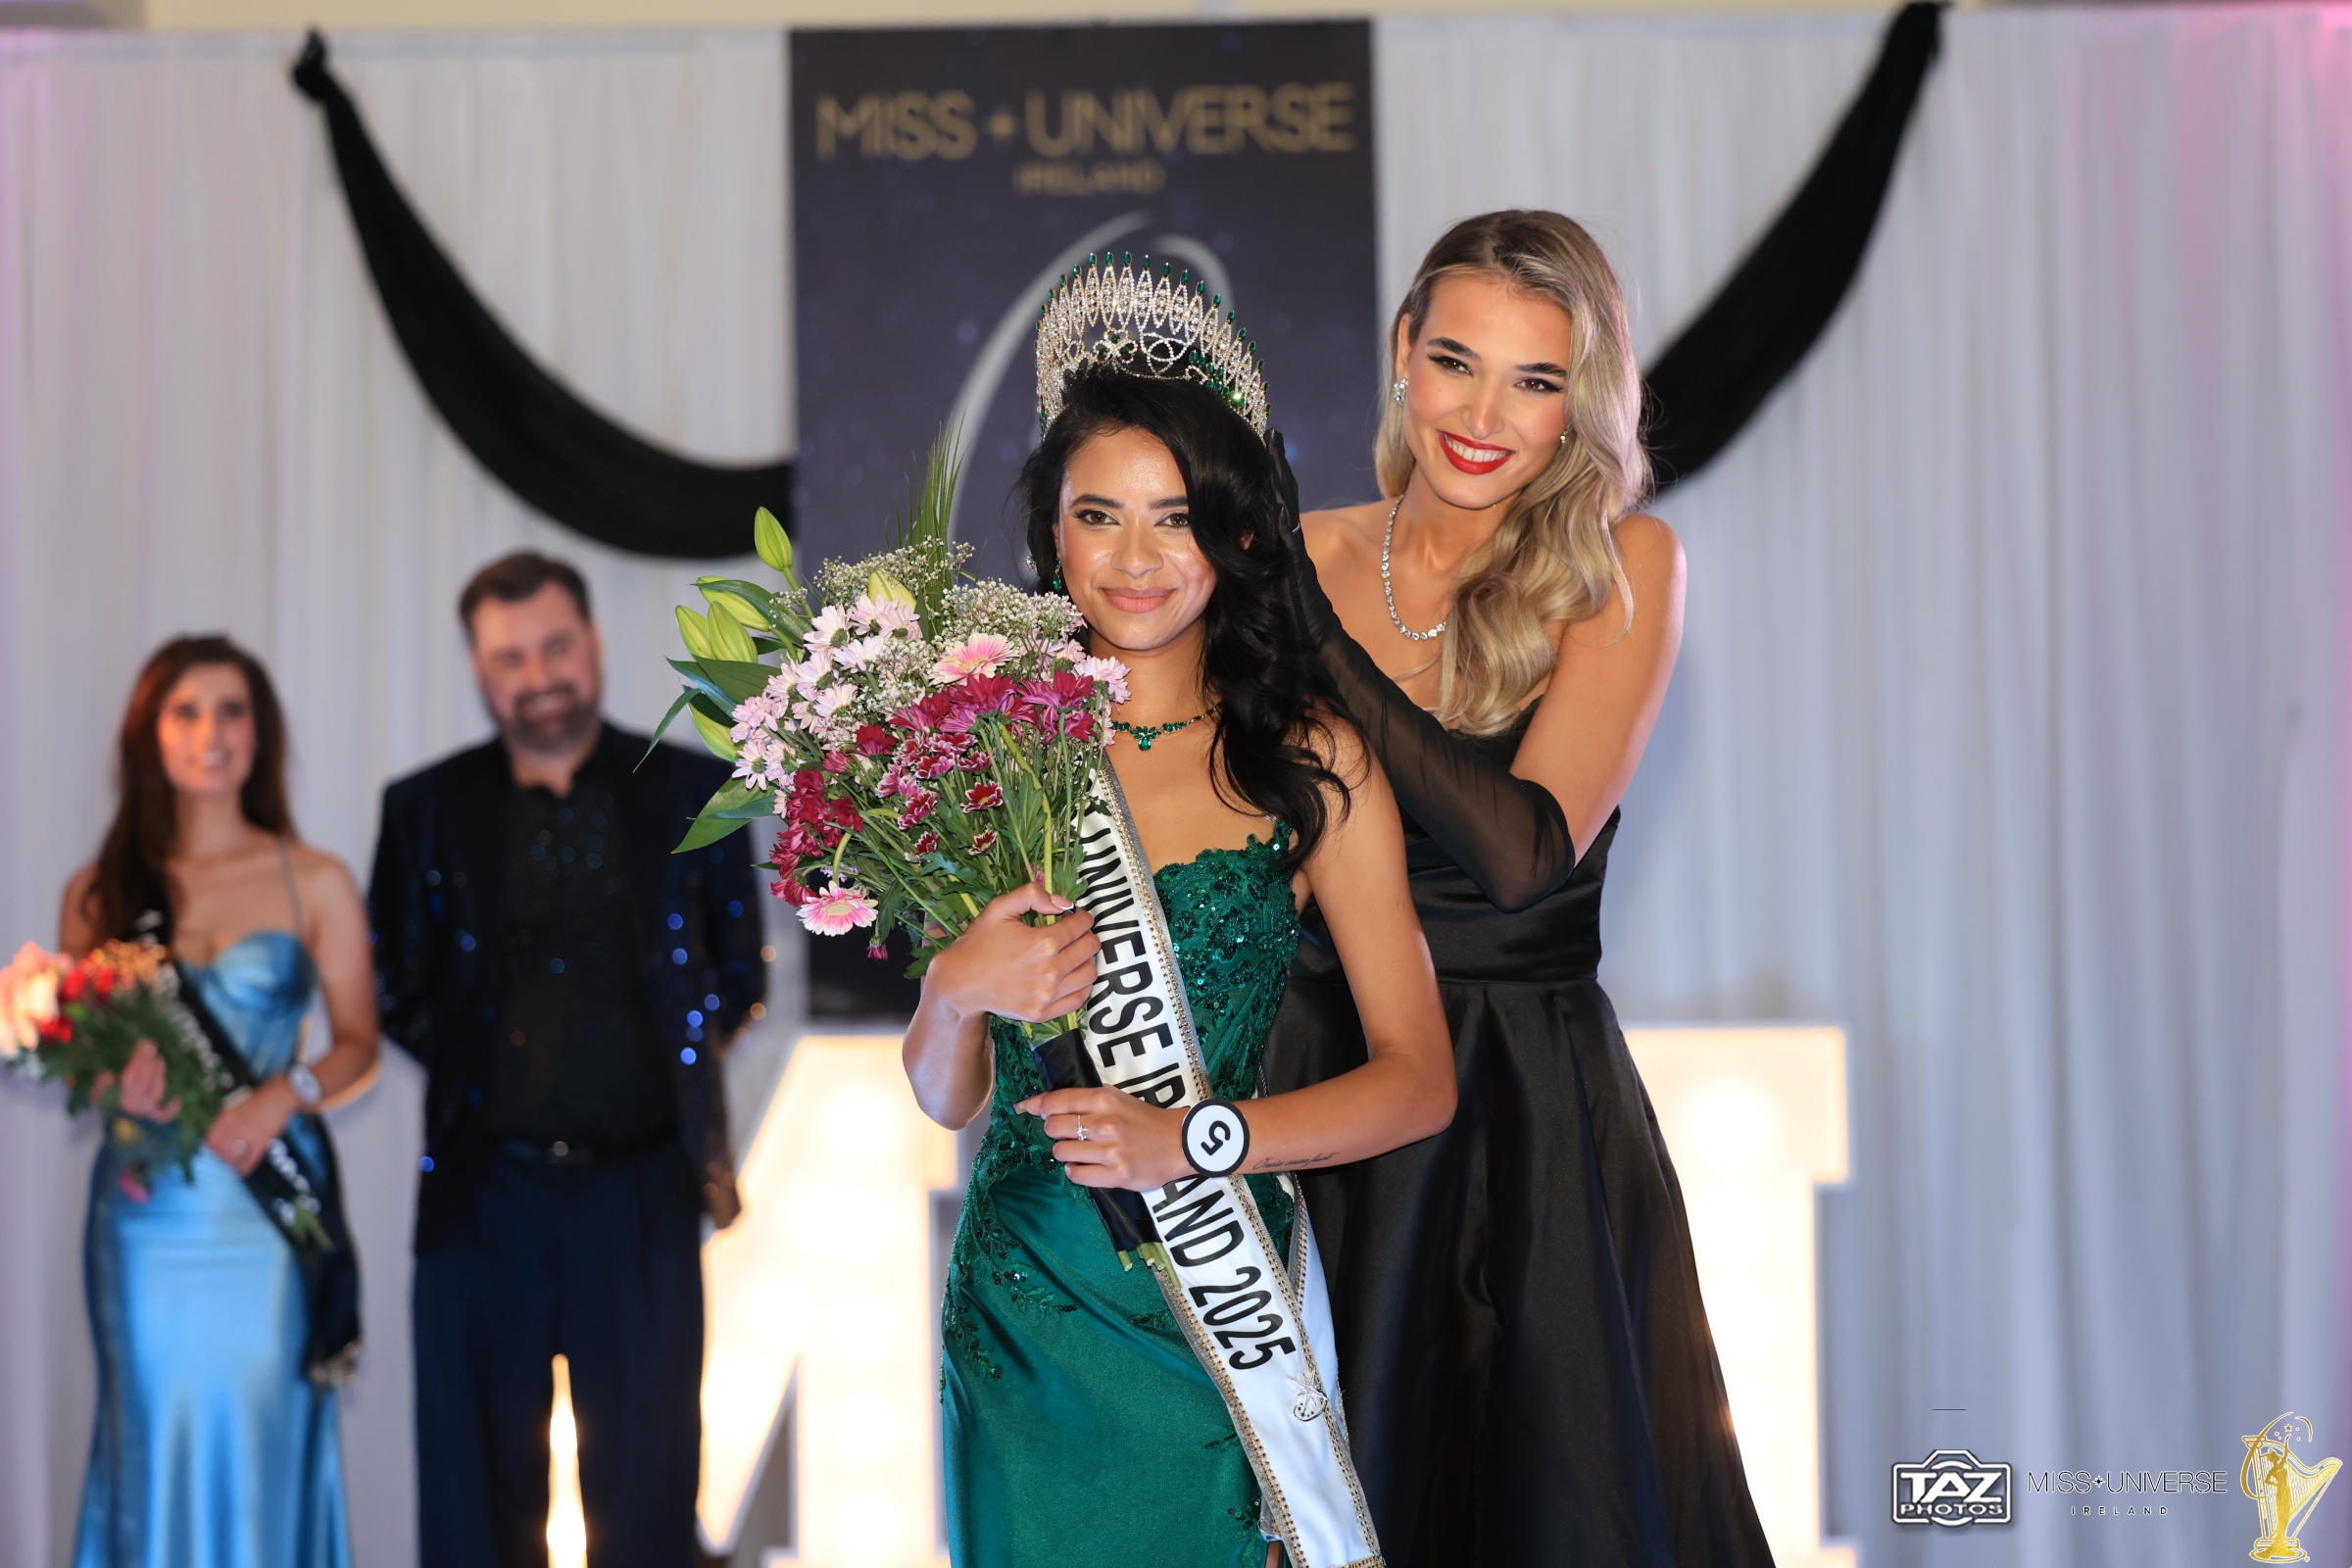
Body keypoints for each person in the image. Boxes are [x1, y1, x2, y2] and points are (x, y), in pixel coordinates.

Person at [1265, 209, 1775, 1565]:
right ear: (1402, 351)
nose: (1483, 417)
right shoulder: (1295, 556)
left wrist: (1316, 640)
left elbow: (1522, 854)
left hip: (1524, 1113)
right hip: (1320, 1084)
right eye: (1456, 362)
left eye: (1535, 381)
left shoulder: (1622, 567)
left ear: (1580, 405)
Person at [907, 334, 1455, 1567]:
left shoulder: (1312, 763)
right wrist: (954, 988)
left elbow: (1420, 1081)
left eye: (1177, 518)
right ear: (1053, 535)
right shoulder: (991, 755)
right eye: (1099, 516)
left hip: (1215, 1296)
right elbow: (949, 1097)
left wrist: (1197, 1138)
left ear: (1238, 533)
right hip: (1025, 1310)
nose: (1137, 559)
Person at [368, 553, 766, 1568]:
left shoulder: (692, 790)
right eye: (510, 657)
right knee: (474, 1510)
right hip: (480, 1196)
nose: (538, 675)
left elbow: (737, 974)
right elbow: (395, 985)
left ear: (592, 644)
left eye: (555, 647)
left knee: (649, 1503)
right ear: (478, 667)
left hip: (643, 1195)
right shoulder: (423, 808)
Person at [62, 635, 379, 1568]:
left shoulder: (313, 878)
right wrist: (114, 1086)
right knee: (150, 1441)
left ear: (261, 732)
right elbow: (79, 1060)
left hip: (265, 1211)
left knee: (260, 1442)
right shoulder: (101, 892)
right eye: (187, 711)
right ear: (149, 734)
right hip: (146, 1217)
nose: (211, 733)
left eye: (232, 710)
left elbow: (359, 1042)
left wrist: (288, 1093)